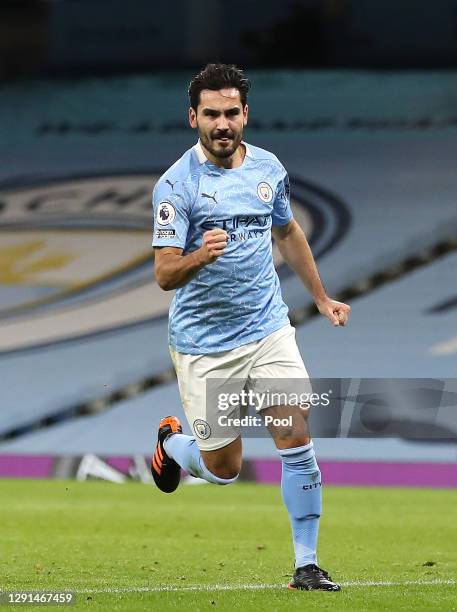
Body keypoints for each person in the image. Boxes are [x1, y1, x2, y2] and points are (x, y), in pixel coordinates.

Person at [150, 63, 350, 592]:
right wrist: (199, 255)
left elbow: (287, 233)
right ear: (193, 117)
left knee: (295, 435)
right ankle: (171, 445)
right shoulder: (176, 186)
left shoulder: (267, 167)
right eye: (211, 113)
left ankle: (306, 564)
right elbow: (164, 273)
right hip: (205, 345)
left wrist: (322, 297)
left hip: (267, 329)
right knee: (223, 468)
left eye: (231, 112)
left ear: (245, 114)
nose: (222, 123)